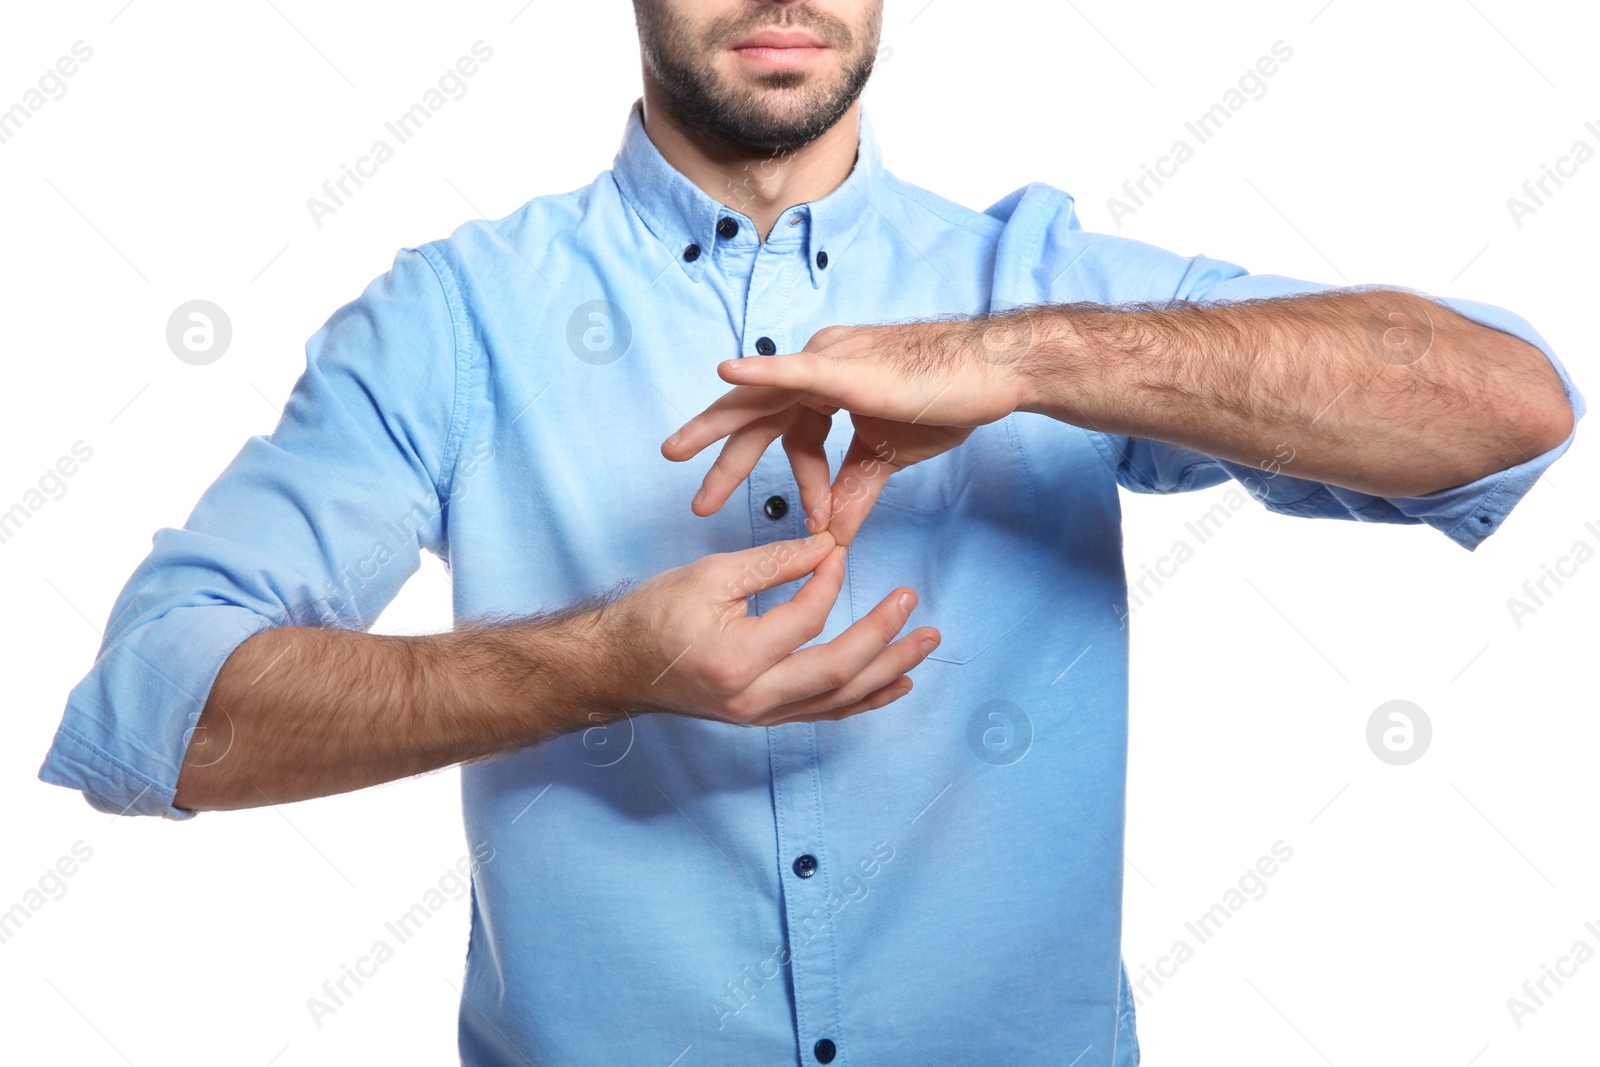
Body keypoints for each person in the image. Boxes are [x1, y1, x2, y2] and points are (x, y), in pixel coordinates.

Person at [38, 1, 1582, 1063]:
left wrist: (1024, 357)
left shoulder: (1036, 282)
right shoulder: (457, 318)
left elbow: (1502, 404)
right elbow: (155, 715)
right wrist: (596, 665)